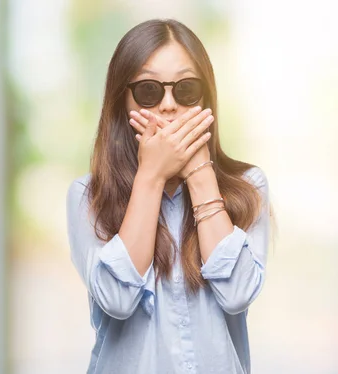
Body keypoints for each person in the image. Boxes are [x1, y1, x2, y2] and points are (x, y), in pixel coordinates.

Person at [66, 18, 273, 374]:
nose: (167, 105)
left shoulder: (249, 186)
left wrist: (198, 170)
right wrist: (152, 174)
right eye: (149, 89)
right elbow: (117, 300)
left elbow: (238, 293)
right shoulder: (88, 196)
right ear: (123, 101)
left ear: (206, 98)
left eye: (185, 89)